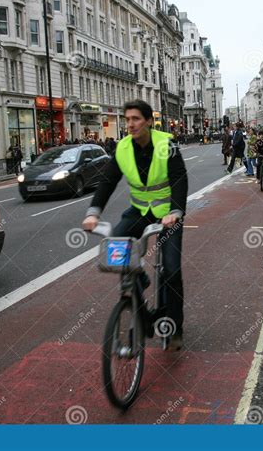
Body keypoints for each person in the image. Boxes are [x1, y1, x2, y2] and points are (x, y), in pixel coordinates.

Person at [82, 100, 188, 351]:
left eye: (136, 119)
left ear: (149, 121)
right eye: (127, 119)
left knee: (171, 270)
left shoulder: (166, 144)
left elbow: (179, 178)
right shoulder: (123, 148)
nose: (130, 124)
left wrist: (175, 211)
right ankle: (139, 280)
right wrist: (93, 212)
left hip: (166, 215)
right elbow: (107, 182)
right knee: (115, 251)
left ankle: (174, 327)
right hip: (140, 212)